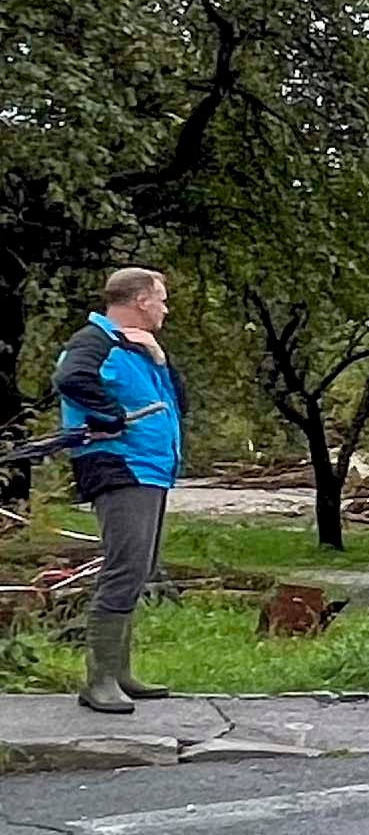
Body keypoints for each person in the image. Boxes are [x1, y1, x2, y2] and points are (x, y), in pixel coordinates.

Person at [53, 267, 187, 714]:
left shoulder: (136, 348)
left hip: (149, 468)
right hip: (119, 466)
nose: (166, 308)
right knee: (124, 567)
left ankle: (120, 672)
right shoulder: (95, 341)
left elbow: (178, 404)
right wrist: (109, 416)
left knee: (140, 567)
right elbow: (71, 379)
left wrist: (160, 359)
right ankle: (100, 681)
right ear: (141, 301)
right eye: (162, 299)